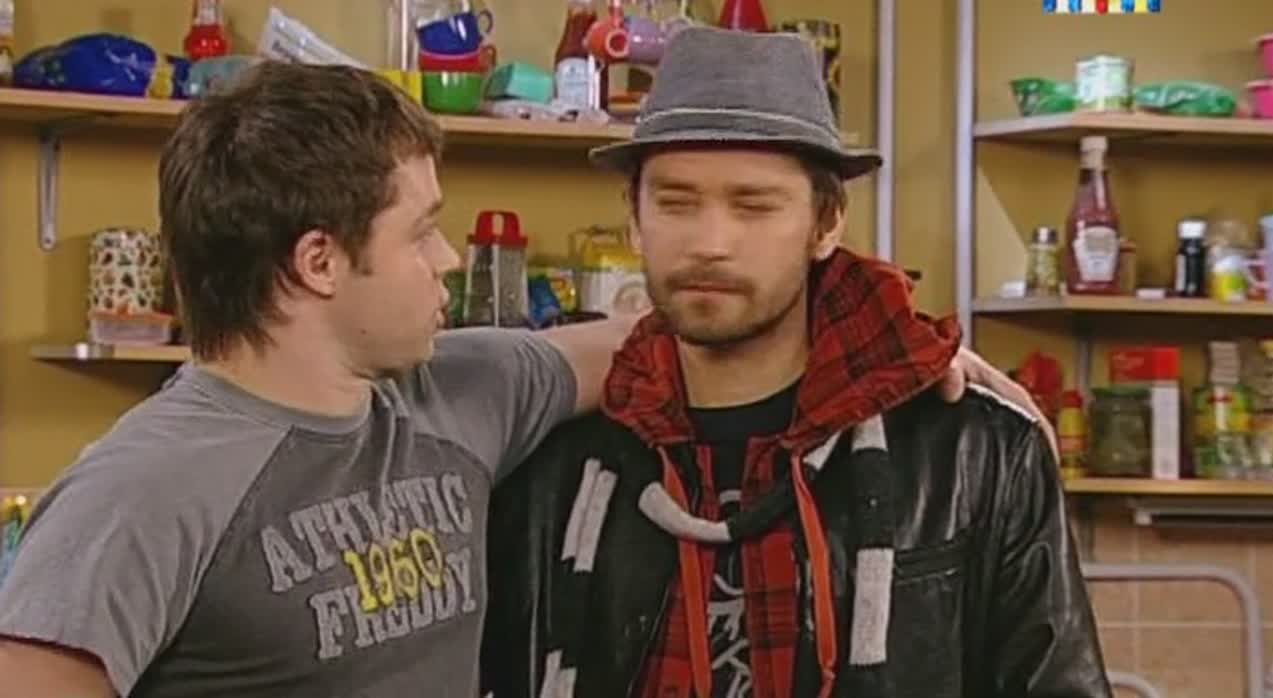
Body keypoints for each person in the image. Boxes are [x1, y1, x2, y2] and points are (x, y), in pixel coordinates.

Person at [0, 60, 1049, 698]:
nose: (451, 259)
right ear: (320, 262)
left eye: (754, 205)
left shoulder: (462, 390)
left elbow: (666, 324)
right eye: (421, 231)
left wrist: (897, 343)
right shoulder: (142, 489)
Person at [480, 27, 1110, 698]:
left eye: (754, 206)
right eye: (675, 203)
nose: (711, 243)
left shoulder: (973, 451)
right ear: (634, 220)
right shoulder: (552, 458)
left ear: (826, 224)